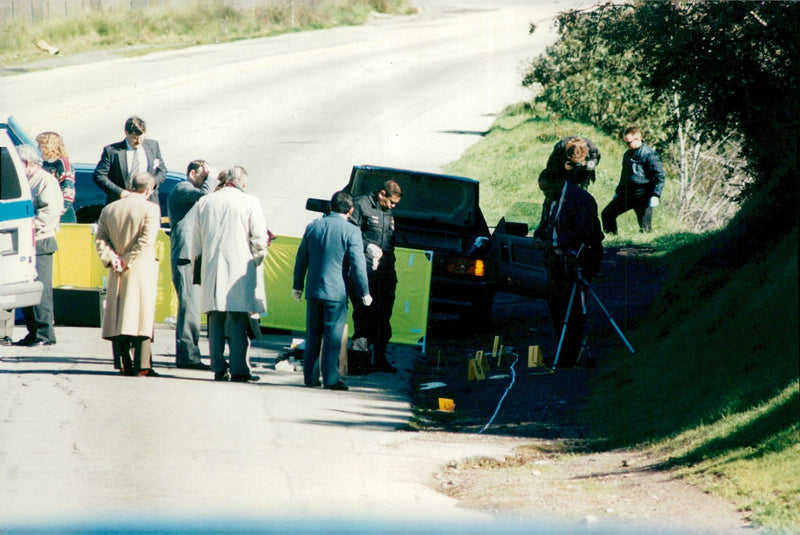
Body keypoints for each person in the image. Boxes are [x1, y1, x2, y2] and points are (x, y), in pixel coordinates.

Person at [192, 166, 268, 383]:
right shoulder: (251, 201)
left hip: (212, 268)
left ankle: (218, 367)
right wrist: (258, 259)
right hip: (239, 268)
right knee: (237, 320)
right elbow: (259, 237)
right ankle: (239, 368)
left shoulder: (206, 201)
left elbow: (196, 241)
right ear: (242, 182)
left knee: (215, 319)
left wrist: (198, 269)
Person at [293, 191, 372, 391]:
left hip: (313, 291)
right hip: (336, 292)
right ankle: (330, 378)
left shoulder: (313, 227)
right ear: (351, 210)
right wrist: (365, 292)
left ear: (330, 206)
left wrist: (297, 286)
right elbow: (358, 265)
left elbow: (301, 258)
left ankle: (310, 378)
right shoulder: (352, 231)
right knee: (333, 338)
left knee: (313, 335)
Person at [533, 168, 604, 368]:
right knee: (556, 305)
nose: (545, 195)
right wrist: (539, 238)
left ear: (558, 183)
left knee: (572, 308)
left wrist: (556, 244)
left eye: (546, 190)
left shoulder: (580, 199)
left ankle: (571, 356)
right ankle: (563, 352)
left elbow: (584, 232)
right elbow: (545, 224)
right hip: (556, 260)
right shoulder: (550, 199)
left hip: (580, 258)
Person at [95, 172, 161, 376]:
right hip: (139, 267)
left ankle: (124, 362)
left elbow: (100, 238)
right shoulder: (150, 208)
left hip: (117, 267)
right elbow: (146, 240)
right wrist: (128, 259)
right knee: (141, 316)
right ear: (149, 190)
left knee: (119, 314)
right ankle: (143, 365)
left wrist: (112, 258)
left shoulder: (109, 209)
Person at [349, 180, 402, 373]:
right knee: (363, 316)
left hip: (385, 272)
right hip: (365, 271)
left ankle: (380, 358)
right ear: (382, 194)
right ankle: (360, 360)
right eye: (391, 202)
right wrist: (366, 246)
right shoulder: (361, 205)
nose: (393, 206)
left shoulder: (388, 212)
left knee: (383, 317)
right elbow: (351, 233)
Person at [13, 145, 63, 347]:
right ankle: (32, 331)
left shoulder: (45, 181)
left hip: (41, 241)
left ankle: (44, 333)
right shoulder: (27, 181)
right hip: (26, 242)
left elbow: (50, 211)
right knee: (27, 289)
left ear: (26, 163)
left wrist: (32, 225)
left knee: (41, 290)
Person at [167, 159, 213, 370]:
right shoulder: (182, 188)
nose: (205, 180)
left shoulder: (188, 191)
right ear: (193, 173)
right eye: (202, 175)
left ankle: (189, 353)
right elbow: (203, 194)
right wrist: (208, 178)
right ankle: (188, 356)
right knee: (189, 308)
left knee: (193, 307)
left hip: (191, 255)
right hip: (185, 255)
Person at [601, 126, 666, 233]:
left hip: (643, 196)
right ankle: (613, 241)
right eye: (625, 143)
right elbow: (624, 176)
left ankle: (644, 248)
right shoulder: (627, 155)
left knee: (645, 229)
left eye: (629, 143)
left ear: (637, 139)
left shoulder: (649, 154)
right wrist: (618, 192)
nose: (627, 145)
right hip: (627, 194)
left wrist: (655, 195)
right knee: (607, 214)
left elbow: (659, 177)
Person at [93, 116, 167, 206]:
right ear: (126, 133)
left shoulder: (153, 146)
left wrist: (152, 183)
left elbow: (162, 170)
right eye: (134, 138)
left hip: (148, 202)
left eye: (141, 137)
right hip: (122, 203)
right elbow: (99, 175)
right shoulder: (112, 151)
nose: (138, 141)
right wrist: (120, 192)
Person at [36, 131, 76, 223]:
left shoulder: (63, 164)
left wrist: (58, 212)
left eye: (40, 146)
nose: (38, 149)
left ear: (48, 146)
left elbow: (68, 192)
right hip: (46, 212)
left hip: (61, 215)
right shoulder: (45, 164)